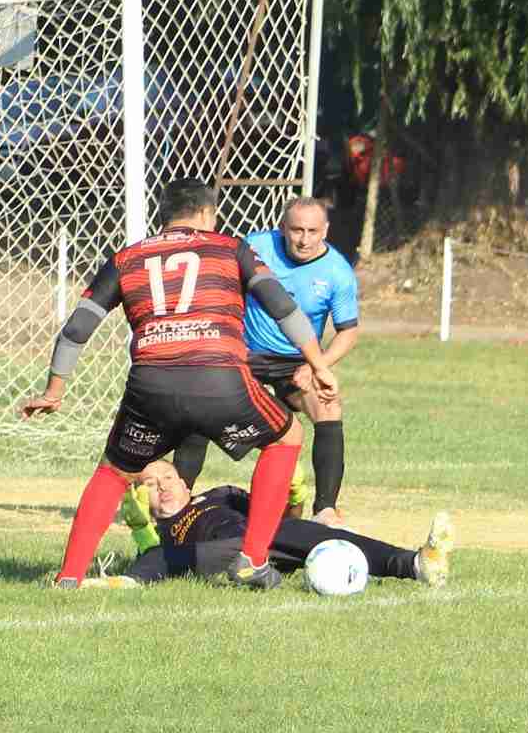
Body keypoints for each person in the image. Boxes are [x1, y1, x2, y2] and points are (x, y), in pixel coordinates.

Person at [21, 178, 339, 590]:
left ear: (163, 214)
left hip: (151, 383)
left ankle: (69, 576)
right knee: (287, 436)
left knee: (114, 471)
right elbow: (283, 308)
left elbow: (76, 330)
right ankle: (253, 559)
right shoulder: (231, 248)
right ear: (207, 213)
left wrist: (54, 391)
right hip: (218, 376)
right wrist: (318, 364)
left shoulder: (126, 258)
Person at [173, 197, 360, 525]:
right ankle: (178, 499)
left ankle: (326, 509)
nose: (304, 239)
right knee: (199, 408)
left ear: (326, 230)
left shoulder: (338, 272)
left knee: (329, 406)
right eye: (296, 230)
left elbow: (348, 332)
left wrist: (316, 365)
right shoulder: (255, 247)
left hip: (297, 362)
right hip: (243, 354)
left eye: (313, 231)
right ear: (282, 228)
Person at [82, 461, 454, 589]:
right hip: (211, 554)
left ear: (184, 483)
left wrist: (292, 495)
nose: (162, 485)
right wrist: (140, 526)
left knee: (316, 536)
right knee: (165, 559)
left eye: (167, 477)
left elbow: (281, 519)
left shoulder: (222, 494)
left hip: (260, 543)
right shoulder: (163, 532)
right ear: (140, 498)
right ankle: (122, 583)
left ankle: (419, 563)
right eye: (150, 483)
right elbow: (154, 555)